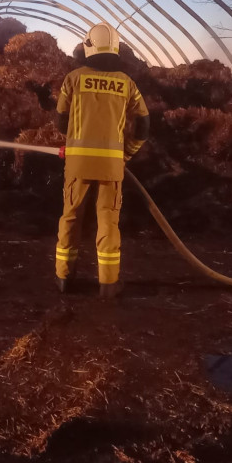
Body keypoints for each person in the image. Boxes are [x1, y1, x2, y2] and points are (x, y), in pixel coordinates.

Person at [55, 22, 150, 298]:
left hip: (77, 165)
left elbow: (61, 122)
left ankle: (63, 278)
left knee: (70, 217)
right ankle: (108, 283)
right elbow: (144, 124)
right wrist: (128, 153)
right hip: (112, 167)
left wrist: (75, 139)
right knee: (108, 222)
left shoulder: (73, 79)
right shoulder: (127, 84)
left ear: (88, 47)